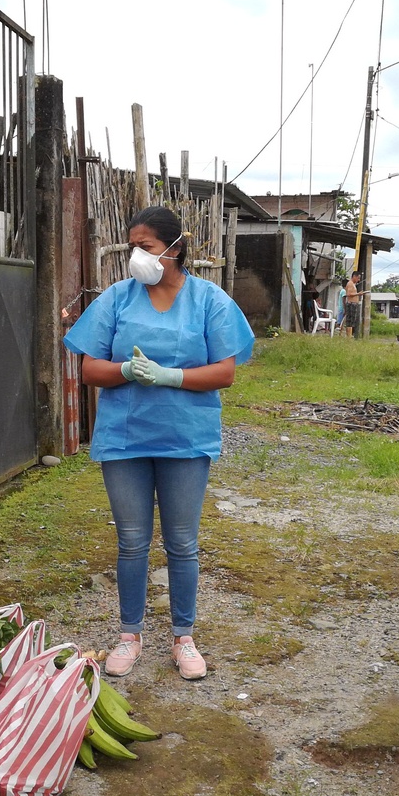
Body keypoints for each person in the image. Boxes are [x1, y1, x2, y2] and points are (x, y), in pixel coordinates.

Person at [63, 206, 255, 681]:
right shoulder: (117, 299)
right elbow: (89, 368)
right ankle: (129, 635)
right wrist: (126, 370)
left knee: (183, 544)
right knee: (131, 541)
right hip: (125, 437)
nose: (136, 256)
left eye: (145, 247)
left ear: (174, 249)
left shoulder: (209, 300)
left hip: (186, 438)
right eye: (133, 246)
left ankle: (183, 637)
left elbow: (225, 371)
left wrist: (171, 376)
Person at [344, 270, 362, 338]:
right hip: (351, 304)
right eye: (358, 278)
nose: (358, 280)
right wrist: (358, 294)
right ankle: (349, 336)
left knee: (352, 321)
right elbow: (348, 294)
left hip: (354, 304)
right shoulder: (350, 284)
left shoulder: (353, 284)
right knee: (350, 321)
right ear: (354, 276)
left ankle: (350, 335)